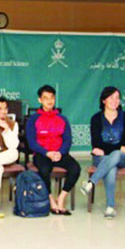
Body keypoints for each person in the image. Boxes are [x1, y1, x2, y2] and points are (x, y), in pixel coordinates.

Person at [25, 85, 81, 215]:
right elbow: (32, 142)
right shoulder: (33, 119)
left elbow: (67, 140)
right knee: (44, 170)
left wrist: (60, 153)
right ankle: (51, 200)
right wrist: (47, 153)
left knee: (75, 169)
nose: (49, 101)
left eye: (52, 98)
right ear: (40, 100)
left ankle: (61, 198)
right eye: (45, 98)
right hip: (42, 154)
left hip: (60, 153)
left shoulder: (62, 119)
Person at [81, 86, 125, 218]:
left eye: (117, 98)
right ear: (103, 100)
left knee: (116, 155)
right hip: (101, 158)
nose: (114, 101)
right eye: (111, 98)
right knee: (111, 167)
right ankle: (110, 207)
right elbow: (96, 144)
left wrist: (111, 149)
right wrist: (119, 147)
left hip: (123, 158)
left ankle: (91, 182)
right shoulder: (96, 119)